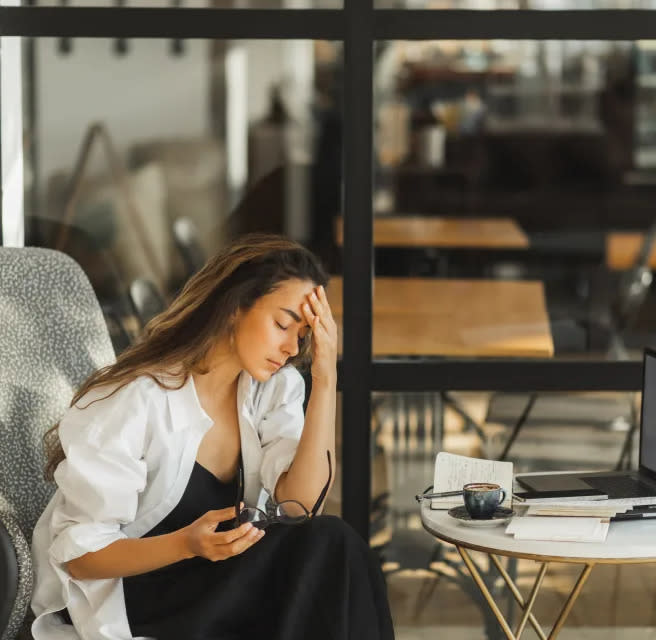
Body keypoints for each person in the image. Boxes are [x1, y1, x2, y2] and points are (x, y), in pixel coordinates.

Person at [30, 234, 394, 640]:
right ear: (235, 307)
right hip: (141, 598)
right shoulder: (136, 400)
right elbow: (80, 556)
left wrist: (326, 378)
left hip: (221, 583)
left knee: (329, 543)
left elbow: (302, 504)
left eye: (304, 336)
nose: (292, 347)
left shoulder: (270, 389)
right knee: (329, 548)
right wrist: (186, 544)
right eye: (282, 324)